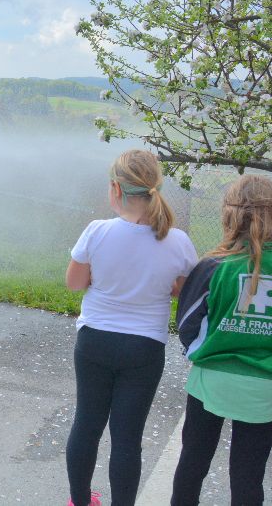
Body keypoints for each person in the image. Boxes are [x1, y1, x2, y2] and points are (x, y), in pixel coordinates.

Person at [64, 149, 197, 506]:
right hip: (144, 348)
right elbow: (184, 292)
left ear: (116, 189)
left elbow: (74, 283)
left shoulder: (97, 231)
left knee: (86, 425)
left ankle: (79, 501)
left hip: (95, 341)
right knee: (127, 438)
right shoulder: (179, 241)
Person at [170, 174, 272, 506]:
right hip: (265, 388)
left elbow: (186, 323)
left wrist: (202, 350)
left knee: (192, 463)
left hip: (211, 381)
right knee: (248, 476)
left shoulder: (214, 265)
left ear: (229, 213)